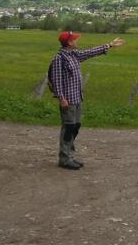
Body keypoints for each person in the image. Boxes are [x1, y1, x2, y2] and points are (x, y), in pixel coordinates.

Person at [48, 31, 125, 170]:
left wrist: (109, 45)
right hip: (68, 100)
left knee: (75, 126)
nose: (77, 40)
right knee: (68, 128)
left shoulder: (74, 55)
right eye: (75, 39)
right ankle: (64, 159)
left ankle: (69, 156)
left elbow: (89, 52)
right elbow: (57, 80)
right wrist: (61, 98)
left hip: (77, 98)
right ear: (69, 42)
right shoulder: (59, 59)